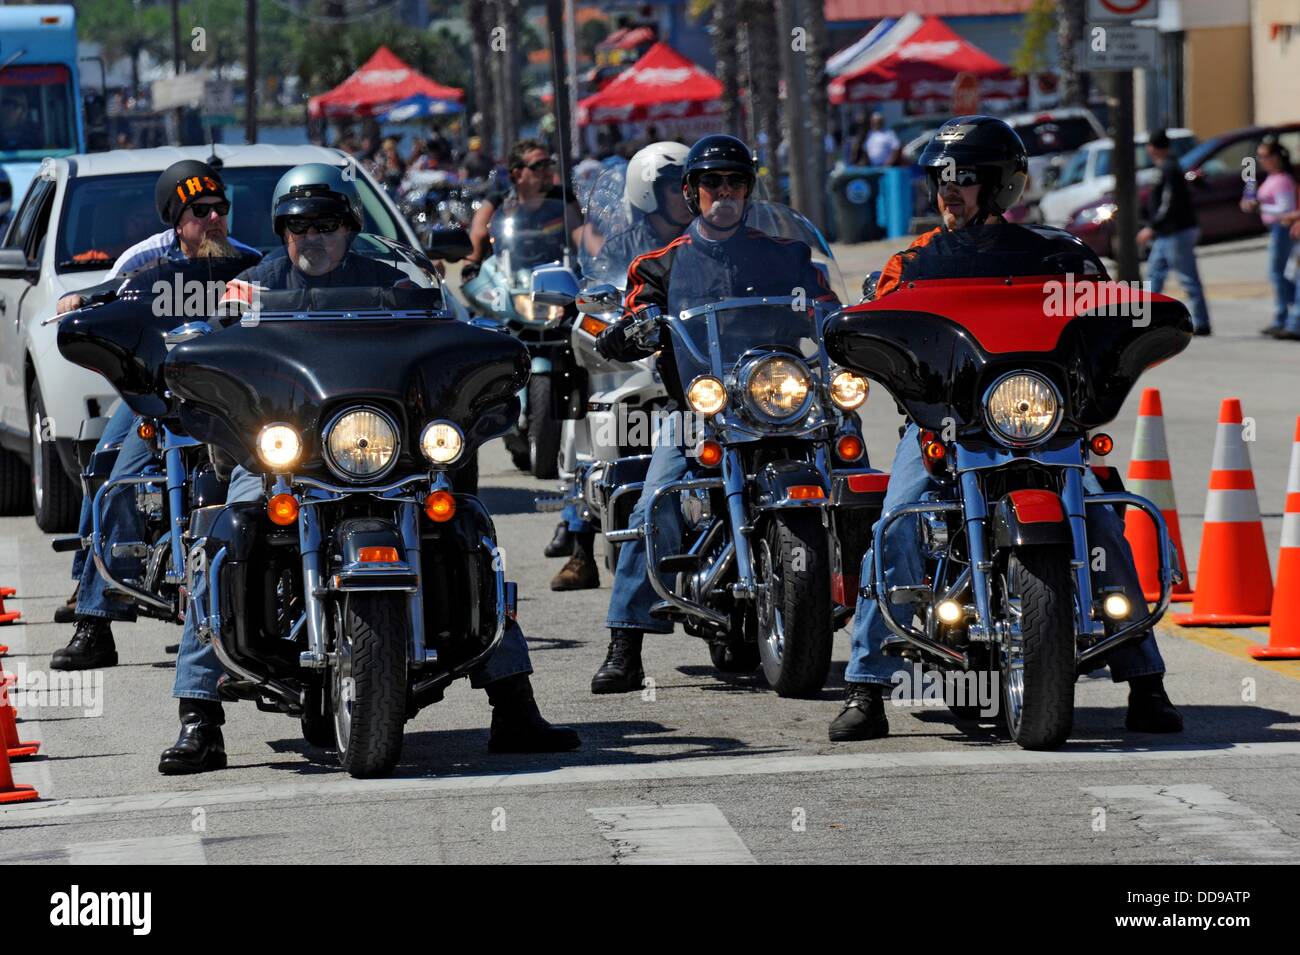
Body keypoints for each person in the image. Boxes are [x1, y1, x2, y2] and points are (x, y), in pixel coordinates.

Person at [160, 163, 581, 774]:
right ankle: (198, 717)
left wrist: (482, 344)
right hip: (288, 453)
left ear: (350, 227)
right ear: (283, 231)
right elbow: (215, 351)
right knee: (223, 536)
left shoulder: (399, 282)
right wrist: (193, 353)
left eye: (328, 224)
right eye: (301, 226)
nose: (315, 237)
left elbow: (450, 330)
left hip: (384, 450)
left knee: (468, 532)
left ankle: (514, 704)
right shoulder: (249, 290)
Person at [829, 115, 1184, 742]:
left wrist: (1146, 317)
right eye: (942, 179)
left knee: (1102, 523)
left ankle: (1145, 680)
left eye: (965, 179)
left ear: (1000, 186)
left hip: (1046, 422)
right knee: (898, 521)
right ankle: (867, 685)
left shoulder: (1061, 257)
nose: (950, 191)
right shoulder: (910, 264)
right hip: (950, 425)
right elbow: (870, 318)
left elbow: (1106, 317)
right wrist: (860, 337)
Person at [588, 133, 836, 694]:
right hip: (701, 409)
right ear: (691, 191)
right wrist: (633, 328)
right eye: (712, 182)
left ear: (749, 189)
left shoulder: (783, 254)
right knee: (658, 498)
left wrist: (844, 324)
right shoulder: (663, 264)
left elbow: (825, 304)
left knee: (853, 465)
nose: (724, 192)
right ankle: (625, 641)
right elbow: (638, 312)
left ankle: (866, 597)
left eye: (735, 182)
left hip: (778, 402)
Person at [49, 160, 262, 667]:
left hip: (231, 399)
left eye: (220, 208)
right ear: (176, 219)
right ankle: (93, 619)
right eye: (199, 211)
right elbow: (104, 308)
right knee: (111, 476)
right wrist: (77, 299)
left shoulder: (251, 265)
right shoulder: (142, 263)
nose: (213, 218)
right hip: (160, 393)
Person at [546, 141, 692, 593]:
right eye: (674, 187)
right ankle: (580, 545)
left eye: (689, 186)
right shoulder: (625, 247)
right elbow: (597, 288)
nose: (686, 196)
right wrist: (589, 310)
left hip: (696, 364)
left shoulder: (709, 240)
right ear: (648, 192)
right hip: (639, 358)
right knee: (589, 413)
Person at [462, 139, 581, 279]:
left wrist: (602, 256)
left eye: (549, 164)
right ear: (518, 174)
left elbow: (583, 236)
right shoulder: (496, 203)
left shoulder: (564, 199)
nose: (548, 171)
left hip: (559, 282)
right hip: (508, 284)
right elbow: (475, 244)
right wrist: (469, 271)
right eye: (539, 166)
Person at [1138, 128, 1211, 336]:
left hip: (1177, 231)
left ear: (1152, 148)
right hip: (1167, 234)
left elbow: (1168, 203)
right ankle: (1145, 321)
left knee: (1187, 277)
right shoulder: (1166, 167)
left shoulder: (1170, 168)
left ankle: (1202, 322)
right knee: (1154, 275)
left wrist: (1152, 227)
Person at [1241, 137, 1300, 340]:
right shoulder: (1272, 178)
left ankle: (1288, 317)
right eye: (1260, 156)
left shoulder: (1283, 180)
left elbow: (1286, 210)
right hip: (1277, 228)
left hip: (1283, 230)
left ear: (1276, 158)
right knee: (1281, 275)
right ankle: (1284, 317)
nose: (1261, 160)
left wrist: (1260, 206)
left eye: (1265, 156)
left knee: (1281, 274)